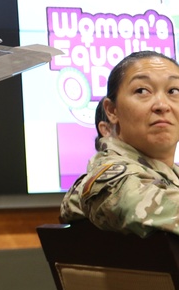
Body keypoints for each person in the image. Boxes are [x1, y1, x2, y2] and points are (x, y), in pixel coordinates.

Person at [60, 51, 179, 237]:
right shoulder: (110, 177)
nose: (162, 105)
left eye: (173, 91)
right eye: (142, 91)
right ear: (112, 111)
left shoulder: (169, 172)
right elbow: (137, 202)